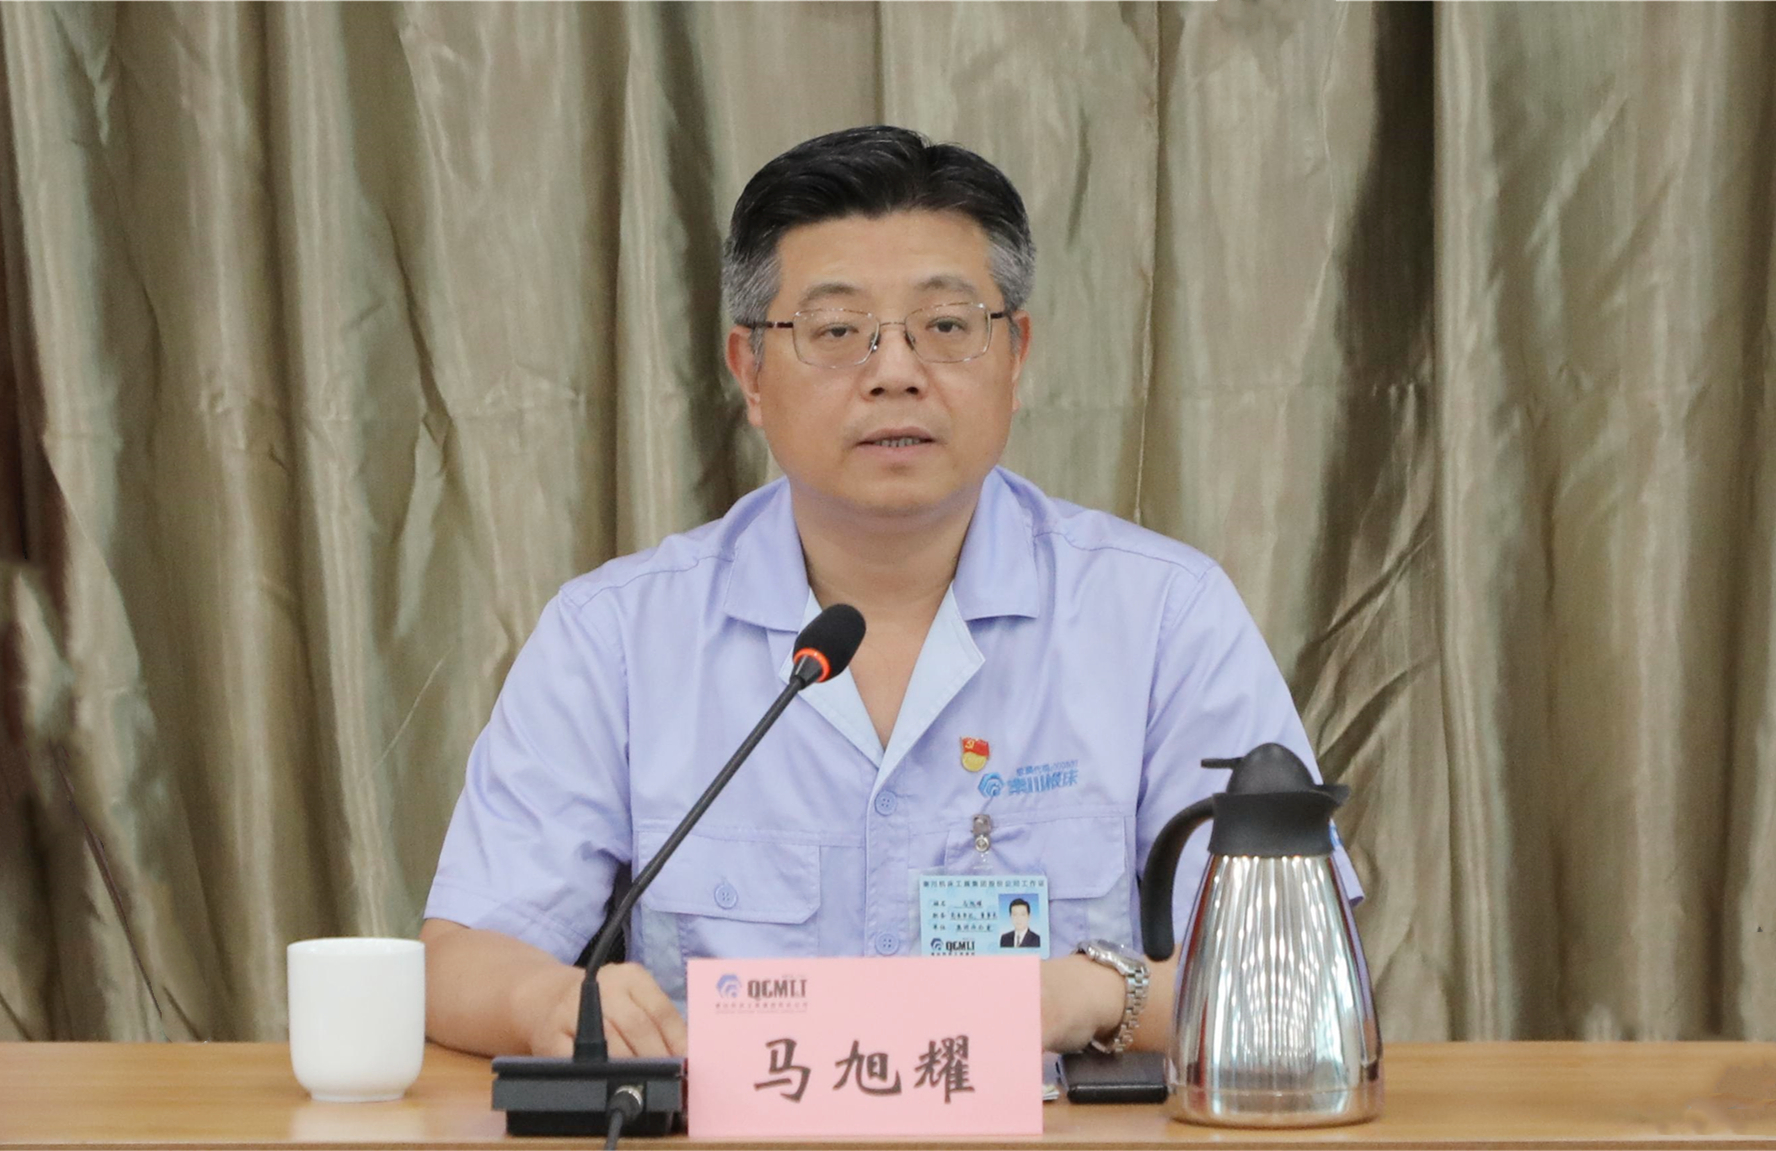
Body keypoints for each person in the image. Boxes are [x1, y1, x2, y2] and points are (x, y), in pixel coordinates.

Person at [420, 125, 1360, 1063]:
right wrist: (554, 1001)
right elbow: (457, 959)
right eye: (837, 332)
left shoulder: (1164, 619)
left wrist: (1093, 993)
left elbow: (1296, 983)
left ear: (1015, 355)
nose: (896, 372)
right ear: (750, 373)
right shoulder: (617, 638)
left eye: (946, 327)